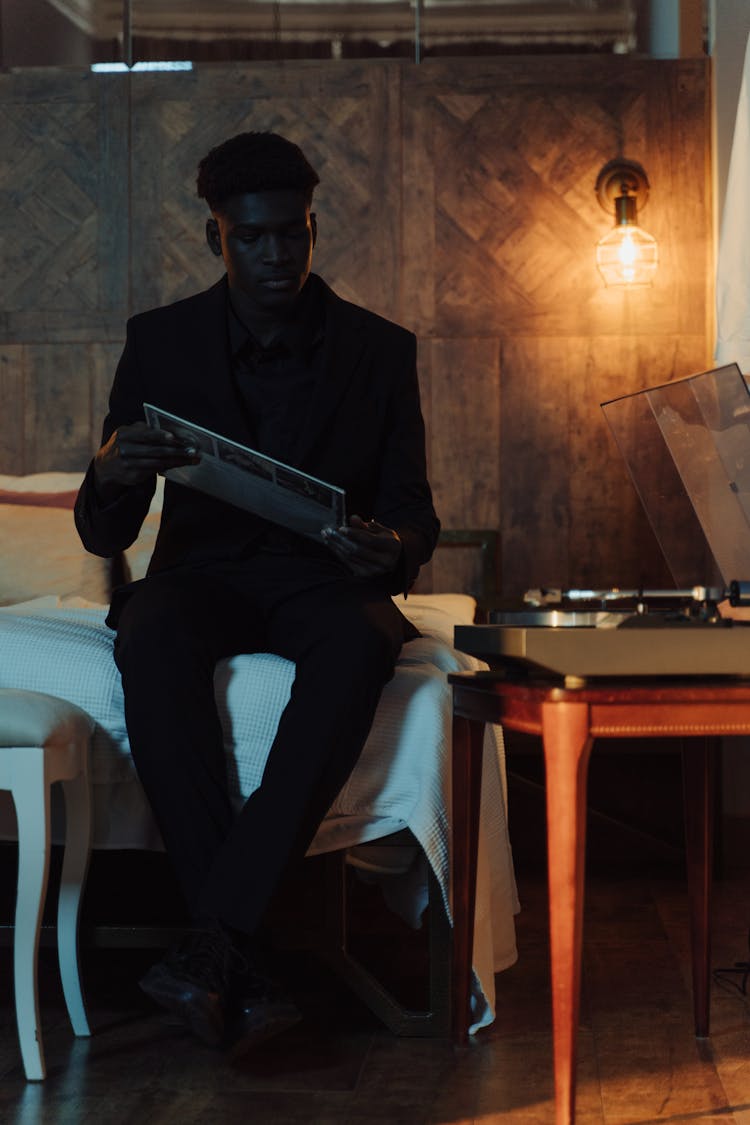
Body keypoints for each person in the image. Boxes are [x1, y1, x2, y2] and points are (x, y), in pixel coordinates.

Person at [74, 131, 440, 1051]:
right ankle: (239, 949)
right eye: (253, 238)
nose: (277, 255)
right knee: (147, 633)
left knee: (362, 642)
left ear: (314, 229)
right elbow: (104, 535)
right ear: (216, 239)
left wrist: (386, 547)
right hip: (201, 578)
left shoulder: (380, 351)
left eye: (293, 235)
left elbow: (413, 514)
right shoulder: (157, 342)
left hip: (321, 582)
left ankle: (214, 946)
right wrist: (111, 472)